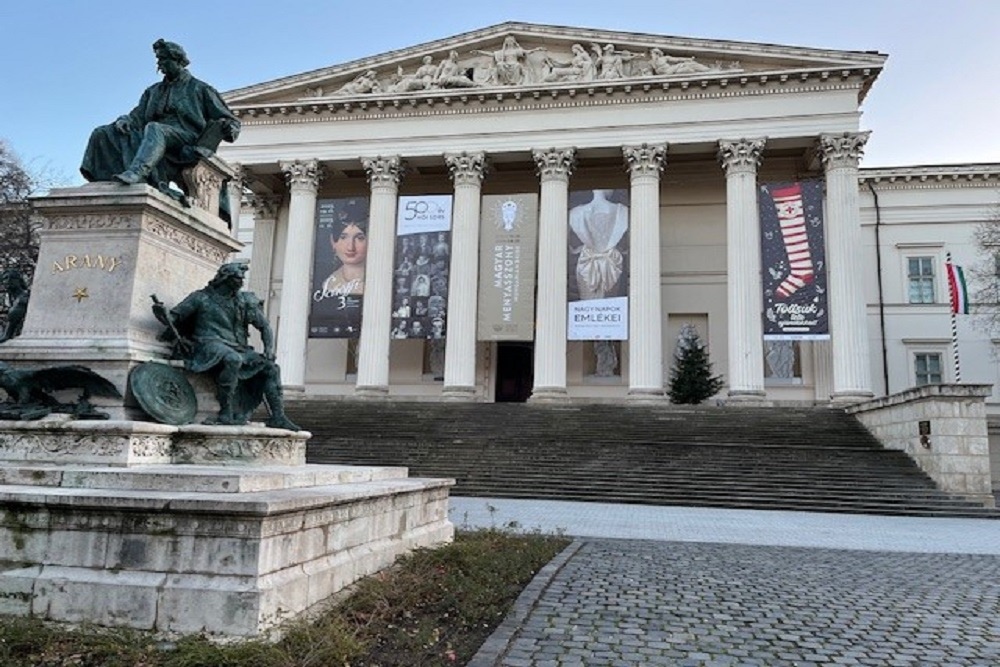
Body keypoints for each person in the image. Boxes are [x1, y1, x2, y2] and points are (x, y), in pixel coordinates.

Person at [80, 39, 240, 195]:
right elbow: (137, 115)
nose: (159, 64)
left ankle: (138, 172)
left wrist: (228, 128)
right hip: (153, 136)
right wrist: (125, 120)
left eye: (163, 59)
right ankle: (101, 180)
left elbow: (232, 121)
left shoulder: (200, 88)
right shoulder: (153, 91)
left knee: (155, 128)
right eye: (158, 59)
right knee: (102, 132)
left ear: (177, 60)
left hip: (187, 137)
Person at [153, 263, 299, 430]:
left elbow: (264, 326)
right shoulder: (201, 298)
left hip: (237, 346)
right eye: (237, 279)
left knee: (271, 368)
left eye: (241, 280)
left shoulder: (244, 301)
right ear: (225, 278)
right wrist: (161, 313)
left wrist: (268, 350)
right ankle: (225, 411)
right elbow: (173, 318)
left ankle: (278, 416)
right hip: (207, 343)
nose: (240, 283)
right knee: (232, 359)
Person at [569, 189, 629, 300]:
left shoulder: (576, 213)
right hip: (600, 263)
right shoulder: (622, 211)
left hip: (604, 263)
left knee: (605, 303)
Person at [321, 213, 368, 296]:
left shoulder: (377, 279)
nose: (351, 247)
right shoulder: (330, 282)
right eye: (343, 237)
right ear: (333, 242)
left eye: (360, 238)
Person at [0, 269, 30, 344]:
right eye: (5, 279)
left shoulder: (23, 299)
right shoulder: (14, 299)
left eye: (11, 278)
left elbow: (6, 335)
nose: (7, 281)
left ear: (18, 280)